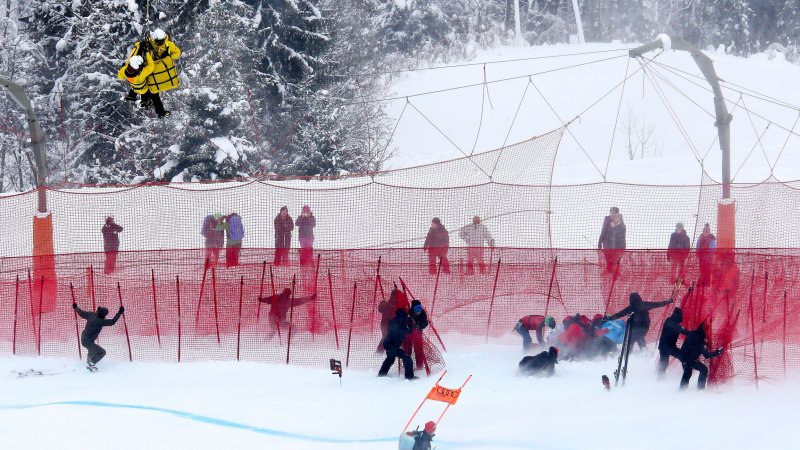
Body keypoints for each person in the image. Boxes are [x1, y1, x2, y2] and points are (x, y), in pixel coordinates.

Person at [124, 28, 181, 118]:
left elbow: (177, 53)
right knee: (146, 85)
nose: (160, 42)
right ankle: (145, 102)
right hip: (151, 68)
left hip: (157, 68)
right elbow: (138, 52)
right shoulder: (148, 44)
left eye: (161, 41)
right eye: (158, 41)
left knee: (152, 90)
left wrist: (167, 58)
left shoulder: (168, 44)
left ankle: (146, 102)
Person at [608, 292, 673, 350]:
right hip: (644, 326)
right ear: (639, 297)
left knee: (636, 338)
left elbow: (620, 314)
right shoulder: (643, 304)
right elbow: (657, 304)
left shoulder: (631, 307)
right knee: (636, 338)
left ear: (630, 299)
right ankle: (638, 351)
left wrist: (609, 318)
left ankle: (633, 351)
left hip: (637, 327)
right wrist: (668, 301)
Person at [73, 302, 124, 372]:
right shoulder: (101, 321)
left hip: (84, 338)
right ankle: (91, 363)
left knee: (92, 350)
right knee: (102, 352)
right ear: (103, 315)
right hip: (88, 341)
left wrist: (76, 308)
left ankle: (88, 363)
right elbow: (112, 322)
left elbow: (81, 313)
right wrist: (119, 312)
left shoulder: (91, 314)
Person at [678, 323, 723, 390]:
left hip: (682, 357)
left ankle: (681, 390)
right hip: (689, 359)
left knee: (687, 372)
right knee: (704, 369)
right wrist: (717, 352)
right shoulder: (701, 340)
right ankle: (700, 389)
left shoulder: (692, 333)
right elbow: (706, 355)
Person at [378, 308, 416, 380]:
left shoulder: (394, 321)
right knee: (408, 360)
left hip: (388, 345)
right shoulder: (399, 325)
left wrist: (407, 320)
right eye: (404, 317)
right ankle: (410, 378)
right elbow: (409, 331)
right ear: (401, 317)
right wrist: (410, 323)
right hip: (392, 347)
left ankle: (381, 374)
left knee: (390, 359)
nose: (405, 318)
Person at [657, 299, 690, 378]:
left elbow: (681, 329)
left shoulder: (674, 322)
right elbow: (681, 329)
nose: (681, 319)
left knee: (682, 357)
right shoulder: (669, 322)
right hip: (665, 347)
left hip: (670, 347)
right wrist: (691, 334)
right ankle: (659, 381)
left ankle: (685, 376)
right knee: (664, 364)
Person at [598, 207, 626, 274]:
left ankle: (616, 276)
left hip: (617, 247)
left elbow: (622, 238)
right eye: (611, 212)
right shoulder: (607, 221)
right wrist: (600, 242)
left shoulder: (622, 225)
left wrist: (622, 249)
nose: (612, 214)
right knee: (609, 263)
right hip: (607, 246)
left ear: (617, 213)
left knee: (616, 263)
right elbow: (603, 231)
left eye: (614, 213)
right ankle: (609, 275)